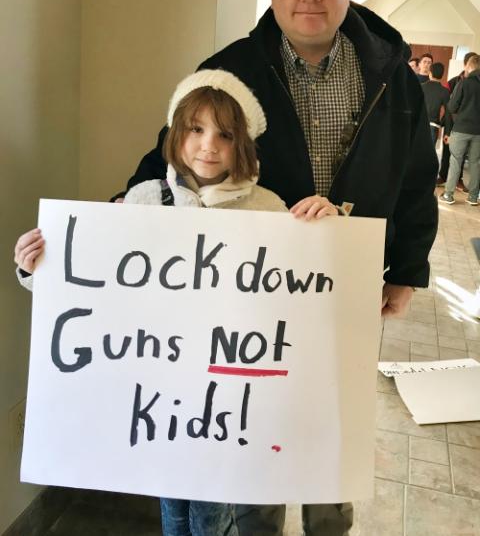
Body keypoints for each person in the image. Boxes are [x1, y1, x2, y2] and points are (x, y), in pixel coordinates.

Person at [112, 0, 438, 536]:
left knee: (330, 419)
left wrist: (409, 270)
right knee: (262, 418)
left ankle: (327, 526)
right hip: (256, 292)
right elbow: (174, 155)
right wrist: (105, 230)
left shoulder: (392, 72)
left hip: (350, 281)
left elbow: (418, 176)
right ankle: (259, 525)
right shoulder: (231, 67)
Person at [14, 68, 339, 536]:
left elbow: (307, 290)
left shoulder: (268, 209)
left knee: (215, 512)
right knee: (174, 507)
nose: (209, 145)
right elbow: (91, 285)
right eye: (196, 129)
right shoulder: (143, 200)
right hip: (160, 395)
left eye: (224, 134)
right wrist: (35, 267)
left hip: (229, 399)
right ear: (176, 132)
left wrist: (327, 230)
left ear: (242, 142)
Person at [440, 54, 480, 206]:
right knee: (476, 163)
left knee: (456, 161)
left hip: (461, 128)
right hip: (479, 131)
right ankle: (473, 197)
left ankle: (448, 195)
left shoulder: (464, 83)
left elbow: (451, 106)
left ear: (469, 66)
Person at [421, 62, 450, 146]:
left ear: (430, 73)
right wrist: (447, 132)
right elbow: (448, 113)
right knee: (428, 156)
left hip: (419, 125)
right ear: (442, 75)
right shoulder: (445, 91)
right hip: (433, 127)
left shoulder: (421, 87)